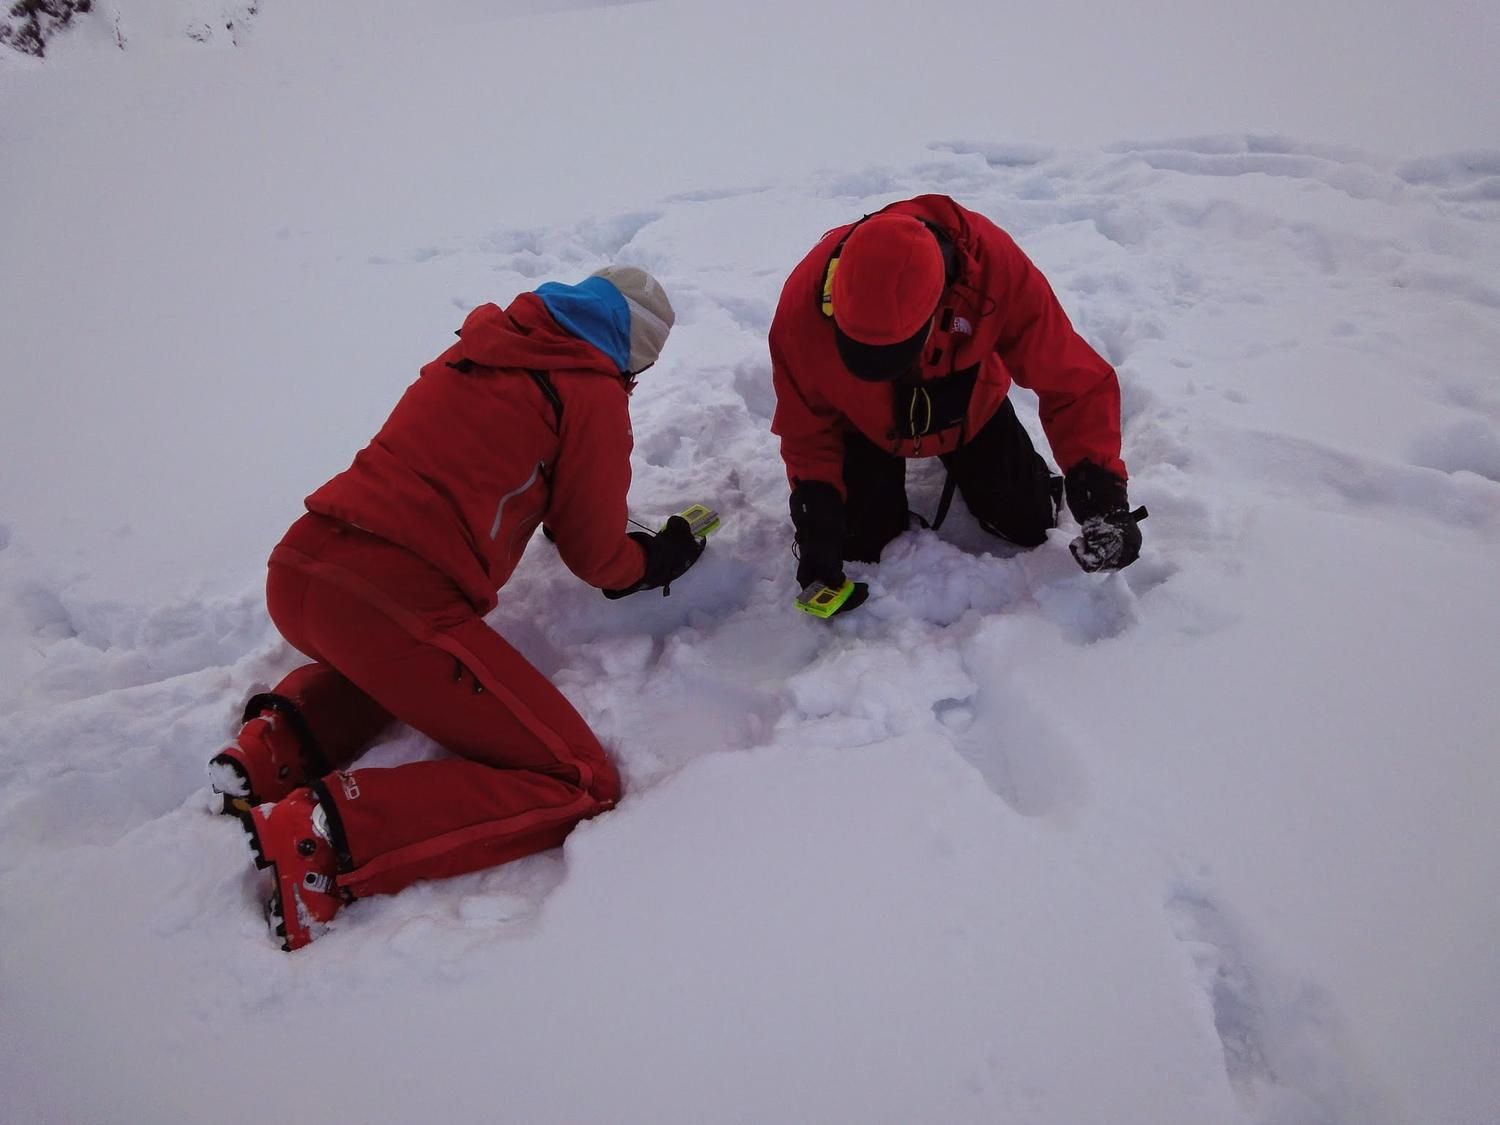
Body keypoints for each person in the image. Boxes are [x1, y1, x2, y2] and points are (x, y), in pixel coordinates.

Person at [209, 266, 705, 951]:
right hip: (385, 598)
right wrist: (657, 560)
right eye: (639, 367)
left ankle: (281, 745)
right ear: (630, 350)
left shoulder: (484, 344)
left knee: (407, 662)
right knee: (579, 776)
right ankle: (324, 835)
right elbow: (598, 557)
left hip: (300, 569)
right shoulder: (589, 389)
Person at [768, 195, 1145, 613]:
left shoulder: (995, 270)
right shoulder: (800, 311)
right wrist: (815, 516)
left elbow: (1073, 380)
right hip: (863, 424)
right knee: (858, 542)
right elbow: (806, 427)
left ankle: (1025, 481)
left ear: (938, 304)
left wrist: (1103, 496)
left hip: (968, 411)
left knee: (1028, 522)